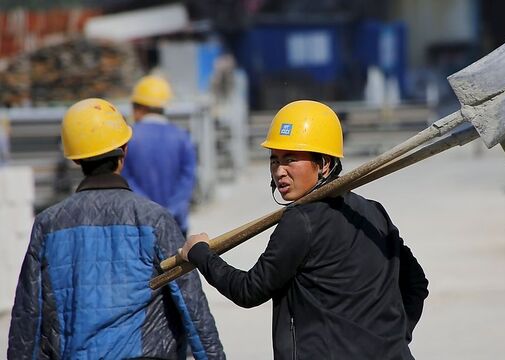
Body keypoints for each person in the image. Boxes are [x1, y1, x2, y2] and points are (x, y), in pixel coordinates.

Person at [180, 100, 429, 359]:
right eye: (274, 160)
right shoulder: (374, 211)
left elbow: (248, 290)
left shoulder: (301, 220)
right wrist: (394, 340)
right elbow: (416, 285)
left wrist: (200, 254)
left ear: (323, 164)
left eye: (290, 159)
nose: (280, 171)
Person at [8, 98, 225, 359]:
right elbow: (191, 305)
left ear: (76, 160)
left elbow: (28, 316)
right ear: (124, 151)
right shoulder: (154, 218)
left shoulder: (48, 224)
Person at [122, 75, 196, 237]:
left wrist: (151, 211)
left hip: (140, 225)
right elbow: (187, 179)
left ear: (139, 107)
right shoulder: (182, 137)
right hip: (176, 225)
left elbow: (126, 179)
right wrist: (171, 211)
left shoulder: (129, 137)